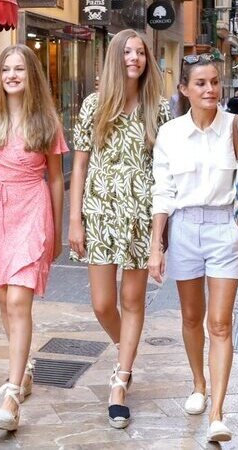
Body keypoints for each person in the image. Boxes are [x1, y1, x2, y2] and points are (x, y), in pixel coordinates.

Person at [148, 54, 238, 442]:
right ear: (184, 89)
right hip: (183, 229)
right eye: (200, 83)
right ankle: (198, 384)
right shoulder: (170, 134)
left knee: (220, 322)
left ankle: (217, 412)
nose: (210, 89)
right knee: (190, 317)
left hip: (223, 229)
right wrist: (155, 247)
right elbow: (162, 193)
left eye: (214, 82)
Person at [68, 29, 171, 429]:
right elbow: (78, 166)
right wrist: (74, 219)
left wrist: (160, 231)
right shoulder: (94, 106)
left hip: (141, 216)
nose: (134, 58)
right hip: (99, 213)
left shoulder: (158, 110)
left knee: (132, 302)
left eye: (140, 52)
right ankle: (124, 348)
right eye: (127, 52)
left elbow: (164, 172)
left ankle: (121, 380)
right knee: (101, 304)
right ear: (115, 57)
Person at [0, 44, 67, 431]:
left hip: (31, 210)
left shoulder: (45, 121)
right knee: (6, 299)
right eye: (6, 69)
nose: (11, 75)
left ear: (32, 76)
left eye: (19, 69)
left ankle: (11, 396)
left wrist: (56, 229)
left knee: (20, 300)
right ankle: (23, 370)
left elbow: (56, 178)